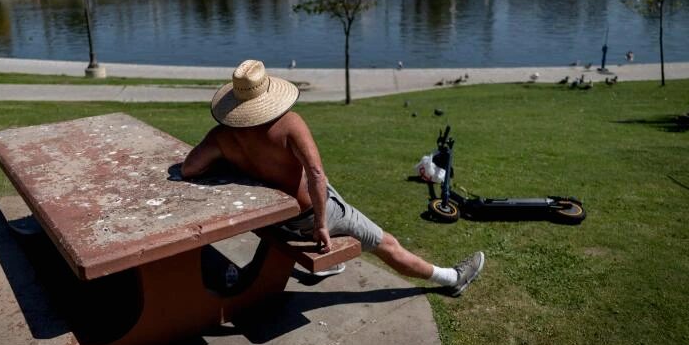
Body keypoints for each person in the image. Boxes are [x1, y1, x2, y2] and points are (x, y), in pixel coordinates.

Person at [182, 59, 485, 296]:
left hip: (276, 218)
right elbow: (315, 173)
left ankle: (331, 260)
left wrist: (241, 167)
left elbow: (190, 168)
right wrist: (322, 226)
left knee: (330, 194)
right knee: (386, 243)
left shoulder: (223, 135)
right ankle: (452, 279)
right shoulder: (289, 124)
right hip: (308, 218)